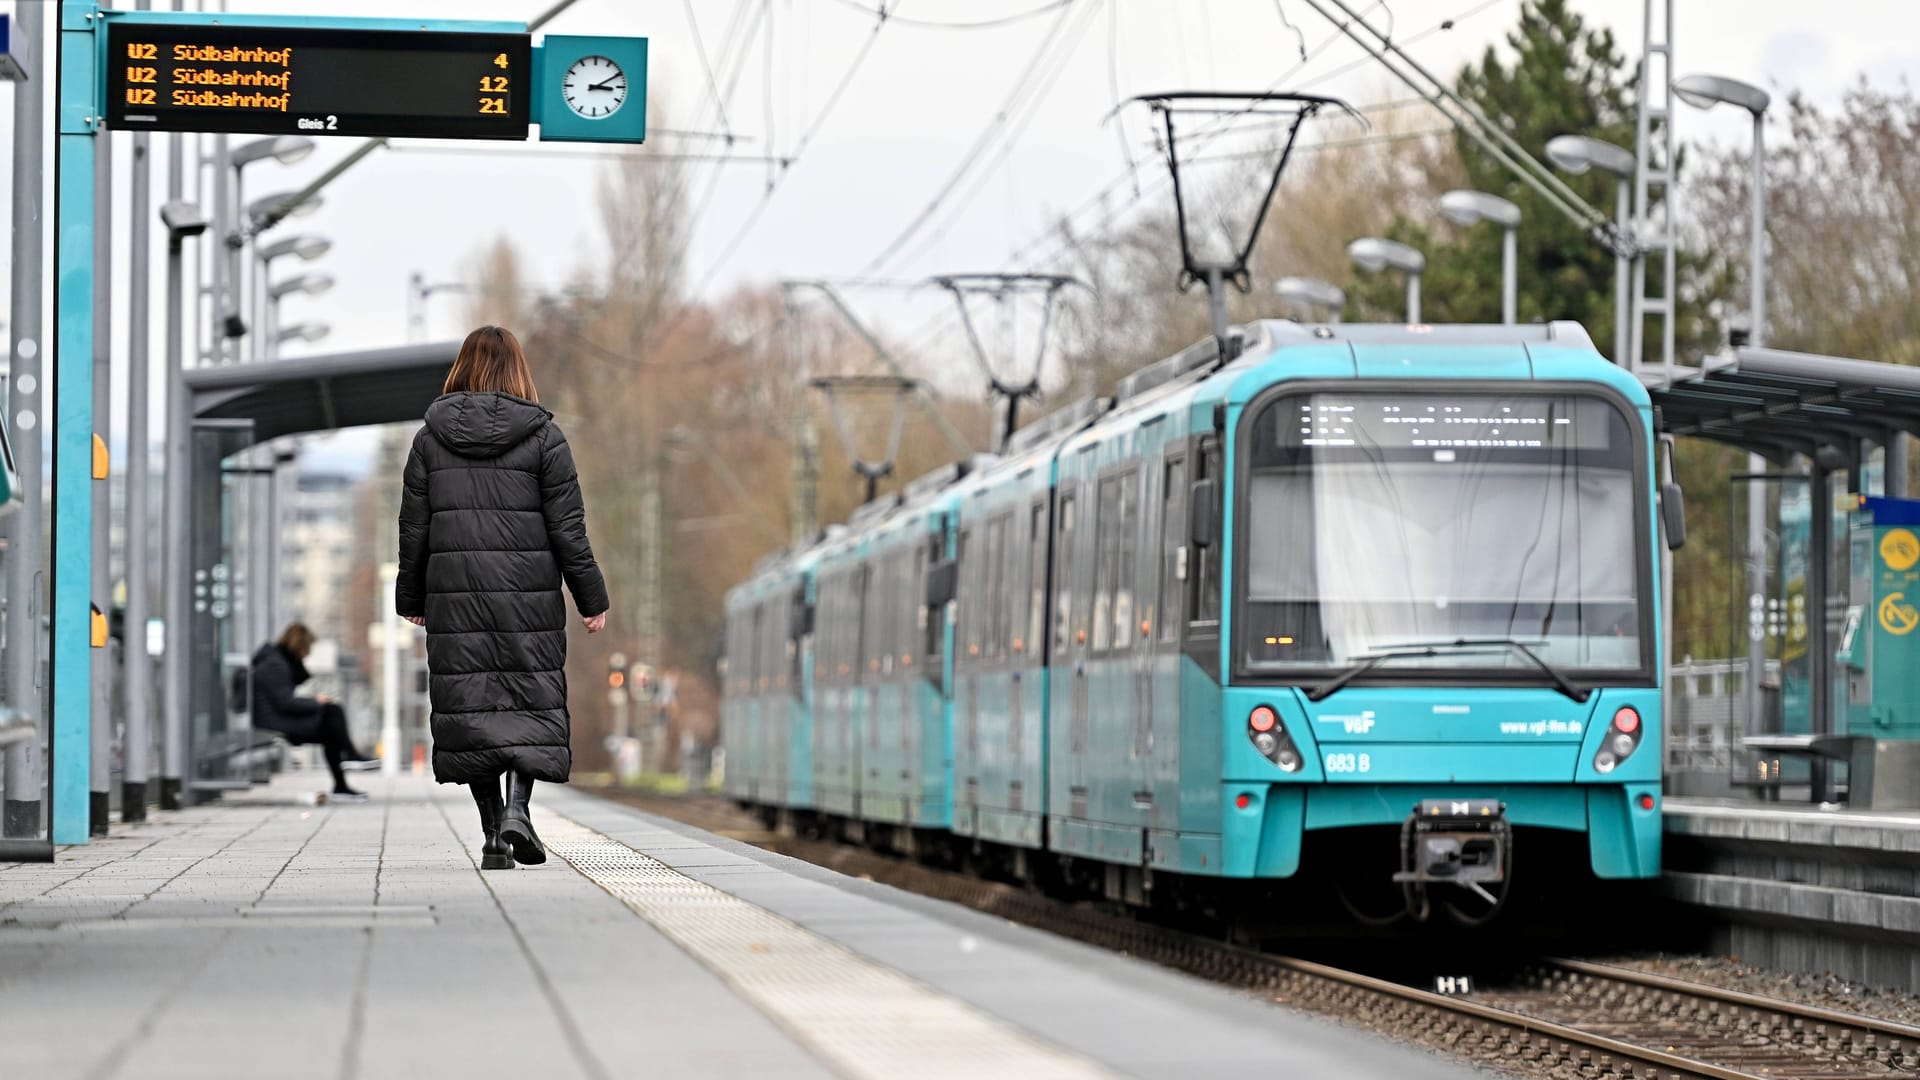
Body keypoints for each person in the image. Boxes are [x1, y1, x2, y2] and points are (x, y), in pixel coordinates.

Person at [396, 325, 608, 871]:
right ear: (519, 371)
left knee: (473, 713)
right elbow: (569, 531)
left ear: (460, 369)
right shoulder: (544, 439)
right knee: (528, 704)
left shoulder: (428, 440)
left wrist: (411, 597)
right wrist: (591, 599)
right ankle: (518, 809)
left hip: (455, 598)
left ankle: (493, 836)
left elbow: (413, 530)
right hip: (527, 598)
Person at [251, 623, 379, 802]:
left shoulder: (277, 661)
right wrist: (316, 702)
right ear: (298, 645)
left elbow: (286, 695)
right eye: (307, 648)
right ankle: (349, 757)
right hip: (274, 721)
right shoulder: (274, 664)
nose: (308, 653)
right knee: (331, 711)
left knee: (330, 726)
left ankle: (342, 783)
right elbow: (285, 703)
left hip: (276, 717)